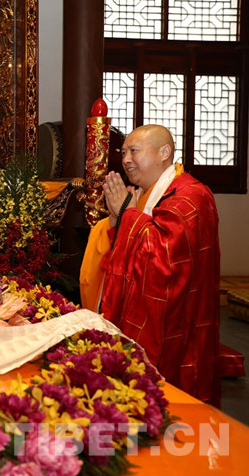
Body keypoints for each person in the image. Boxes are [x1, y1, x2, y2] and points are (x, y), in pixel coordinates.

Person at [80, 124, 220, 405]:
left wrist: (127, 213)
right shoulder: (145, 195)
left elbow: (163, 259)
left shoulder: (192, 196)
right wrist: (120, 218)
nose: (126, 159)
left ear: (164, 153)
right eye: (123, 152)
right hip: (151, 316)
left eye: (134, 151)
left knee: (173, 401)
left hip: (180, 322)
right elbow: (126, 248)